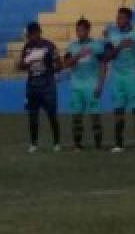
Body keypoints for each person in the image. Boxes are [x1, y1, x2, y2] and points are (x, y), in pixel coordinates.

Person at [104, 7, 135, 153]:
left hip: (133, 75)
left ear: (128, 19)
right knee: (118, 109)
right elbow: (108, 56)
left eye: (121, 17)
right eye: (117, 17)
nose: (118, 20)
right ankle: (118, 144)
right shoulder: (111, 35)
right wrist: (119, 47)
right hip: (117, 77)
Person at [63, 18, 106, 150]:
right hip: (76, 86)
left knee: (95, 117)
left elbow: (103, 65)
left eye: (81, 30)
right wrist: (78, 56)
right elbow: (66, 64)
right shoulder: (72, 46)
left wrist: (100, 85)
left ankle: (98, 145)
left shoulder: (97, 46)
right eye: (77, 30)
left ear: (88, 30)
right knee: (76, 117)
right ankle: (77, 145)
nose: (79, 33)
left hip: (92, 86)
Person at [19, 22, 61, 152]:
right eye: (28, 35)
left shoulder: (49, 46)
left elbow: (59, 65)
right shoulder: (27, 47)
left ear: (37, 32)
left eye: (31, 35)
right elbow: (21, 66)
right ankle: (34, 144)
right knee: (33, 116)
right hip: (32, 86)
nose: (30, 38)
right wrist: (28, 61)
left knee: (52, 115)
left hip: (47, 86)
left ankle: (56, 143)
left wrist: (50, 66)